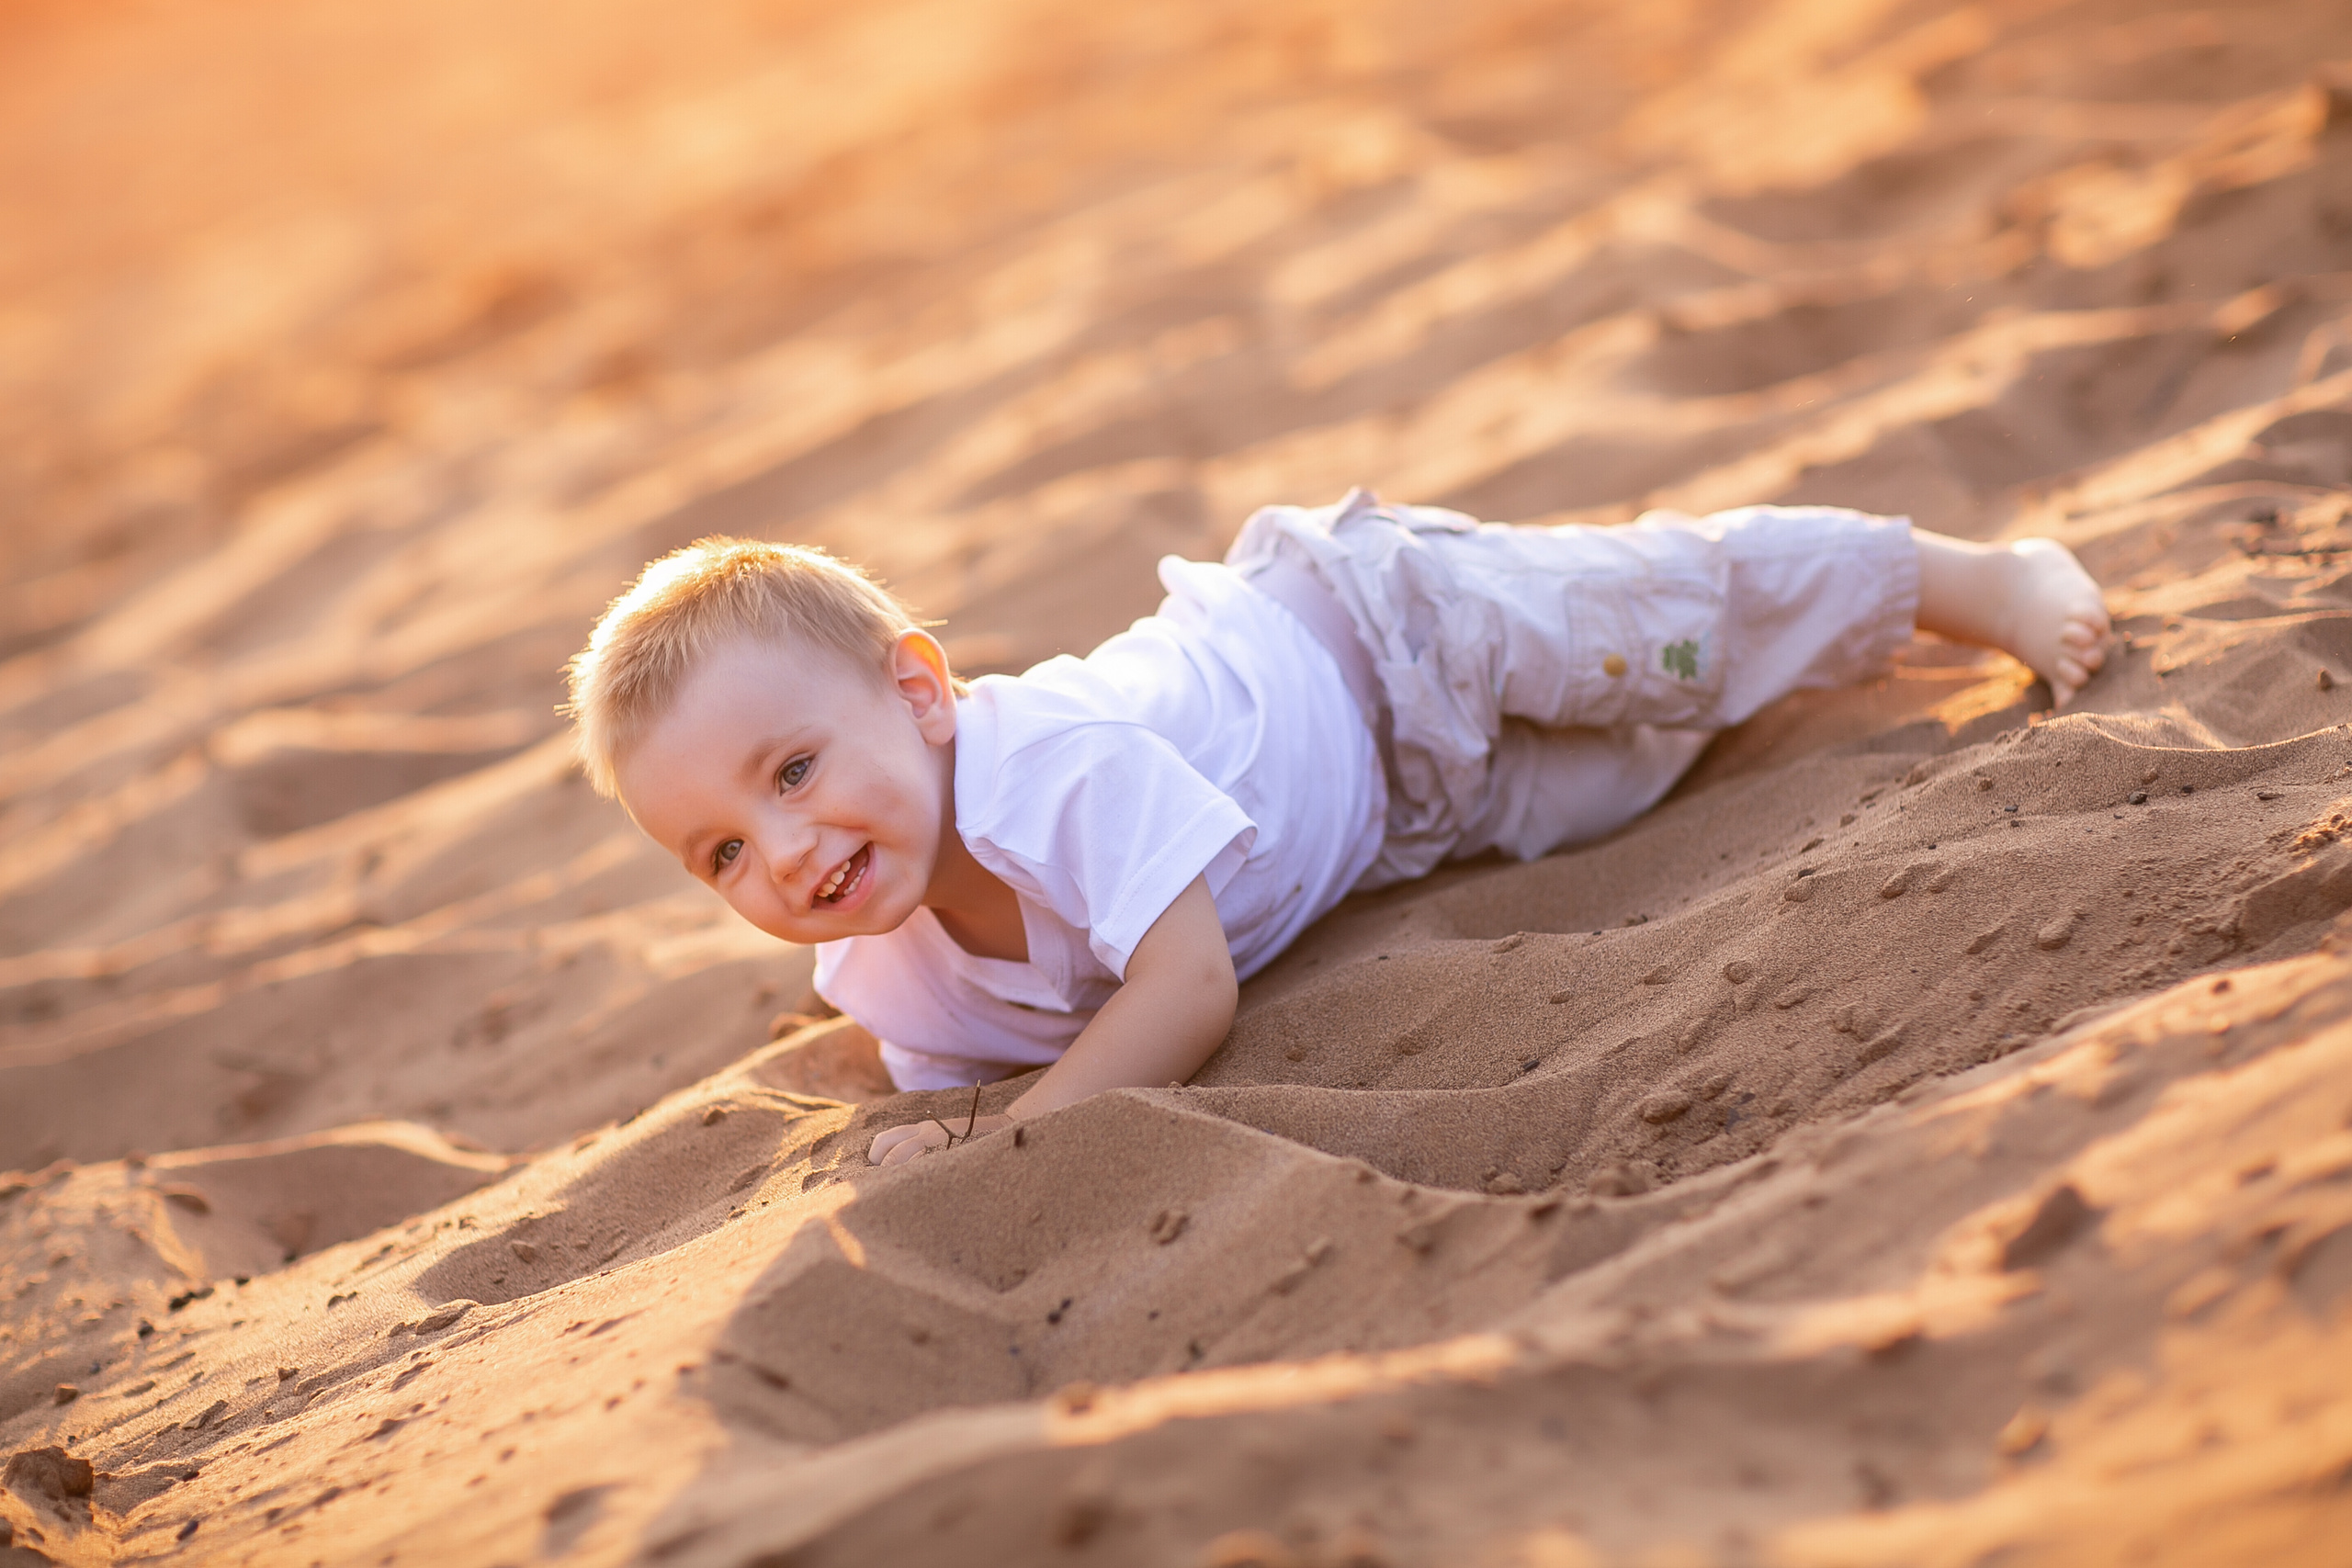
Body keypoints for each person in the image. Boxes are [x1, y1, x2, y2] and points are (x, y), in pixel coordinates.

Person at [564, 490, 2109, 1165]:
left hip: (1373, 634)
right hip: (1394, 825)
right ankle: (1831, 665)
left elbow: (1183, 996)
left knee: (1659, 627)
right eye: (719, 854)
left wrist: (1030, 1134)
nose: (783, 855)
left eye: (789, 774)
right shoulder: (888, 972)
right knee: (1648, 766)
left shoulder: (1048, 775)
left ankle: (1968, 578)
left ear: (920, 694)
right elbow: (962, 1078)